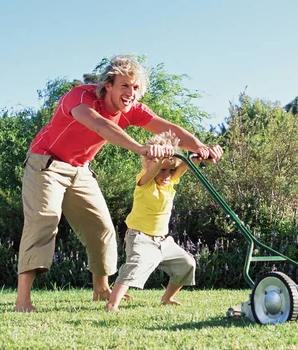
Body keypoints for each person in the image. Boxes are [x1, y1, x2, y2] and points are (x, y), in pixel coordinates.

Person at [14, 55, 223, 312]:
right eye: (125, 85)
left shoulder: (132, 109)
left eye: (136, 88)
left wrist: (200, 147)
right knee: (44, 220)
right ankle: (22, 300)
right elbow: (101, 126)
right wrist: (140, 148)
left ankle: (102, 290)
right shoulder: (80, 98)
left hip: (80, 169)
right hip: (46, 164)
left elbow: (169, 128)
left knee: (101, 227)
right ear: (108, 85)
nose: (131, 93)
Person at [106, 131, 208, 311]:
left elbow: (185, 166)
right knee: (135, 265)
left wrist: (198, 156)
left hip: (162, 240)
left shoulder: (170, 181)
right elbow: (153, 170)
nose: (167, 174)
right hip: (140, 237)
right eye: (163, 169)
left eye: (171, 170)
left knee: (187, 264)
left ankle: (167, 298)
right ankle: (113, 303)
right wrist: (160, 158)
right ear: (149, 164)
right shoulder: (144, 180)